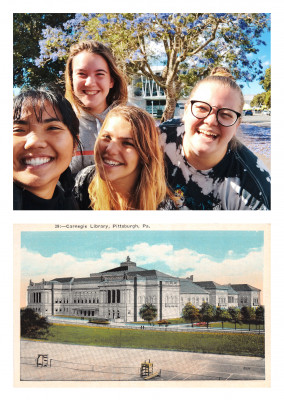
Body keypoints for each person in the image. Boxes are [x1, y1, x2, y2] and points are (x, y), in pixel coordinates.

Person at [159, 67, 271, 210]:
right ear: (186, 111)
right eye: (202, 108)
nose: (211, 121)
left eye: (225, 114)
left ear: (237, 125)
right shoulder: (157, 139)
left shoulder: (255, 191)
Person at [73, 105, 176, 210]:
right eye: (106, 137)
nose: (110, 149)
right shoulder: (84, 181)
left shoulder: (162, 208)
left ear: (145, 154)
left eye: (127, 143)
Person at [65, 40, 128, 175]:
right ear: (71, 79)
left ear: (111, 81)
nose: (90, 82)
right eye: (82, 74)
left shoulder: (132, 122)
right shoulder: (59, 124)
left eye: (100, 74)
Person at [13, 87, 80, 210]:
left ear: (74, 145)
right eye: (18, 130)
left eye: (53, 128)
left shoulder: (70, 205)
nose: (34, 142)